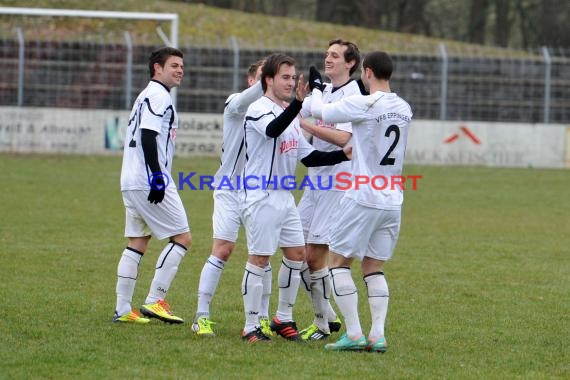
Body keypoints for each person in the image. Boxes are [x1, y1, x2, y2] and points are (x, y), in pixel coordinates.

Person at [239, 53, 352, 343]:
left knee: (296, 255)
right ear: (268, 80)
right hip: (261, 193)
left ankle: (283, 318)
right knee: (260, 259)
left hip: (285, 195)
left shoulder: (290, 114)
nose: (291, 82)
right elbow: (271, 130)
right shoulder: (258, 109)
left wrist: (344, 153)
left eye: (293, 77)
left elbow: (310, 157)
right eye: (285, 77)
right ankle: (251, 325)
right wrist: (299, 106)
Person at [309, 51, 412, 352]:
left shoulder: (366, 103)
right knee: (373, 267)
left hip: (363, 194)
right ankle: (377, 334)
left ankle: (353, 333)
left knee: (338, 263)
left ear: (366, 72)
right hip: (392, 198)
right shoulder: (405, 108)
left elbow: (320, 111)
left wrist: (316, 87)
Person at [191, 59, 275, 337]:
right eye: (265, 76)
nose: (270, 81)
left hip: (260, 189)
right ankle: (201, 316)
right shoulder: (235, 104)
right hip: (229, 188)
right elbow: (246, 99)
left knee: (263, 255)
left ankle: (261, 319)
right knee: (223, 248)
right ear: (252, 81)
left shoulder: (272, 112)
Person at [113, 47, 192, 324]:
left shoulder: (146, 94)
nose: (180, 70)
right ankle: (155, 300)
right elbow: (148, 137)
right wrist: (157, 177)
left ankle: (123, 309)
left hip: (130, 180)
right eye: (174, 65)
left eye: (181, 66)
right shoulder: (158, 95)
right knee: (182, 238)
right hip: (148, 179)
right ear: (157, 68)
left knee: (137, 241)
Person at [296, 39, 362, 341]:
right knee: (294, 250)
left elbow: (343, 138)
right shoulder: (326, 91)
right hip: (314, 180)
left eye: (335, 55)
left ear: (350, 63)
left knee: (314, 257)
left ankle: (323, 324)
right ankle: (329, 318)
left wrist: (305, 125)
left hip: (337, 183)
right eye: (327, 54)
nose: (328, 59)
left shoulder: (353, 94)